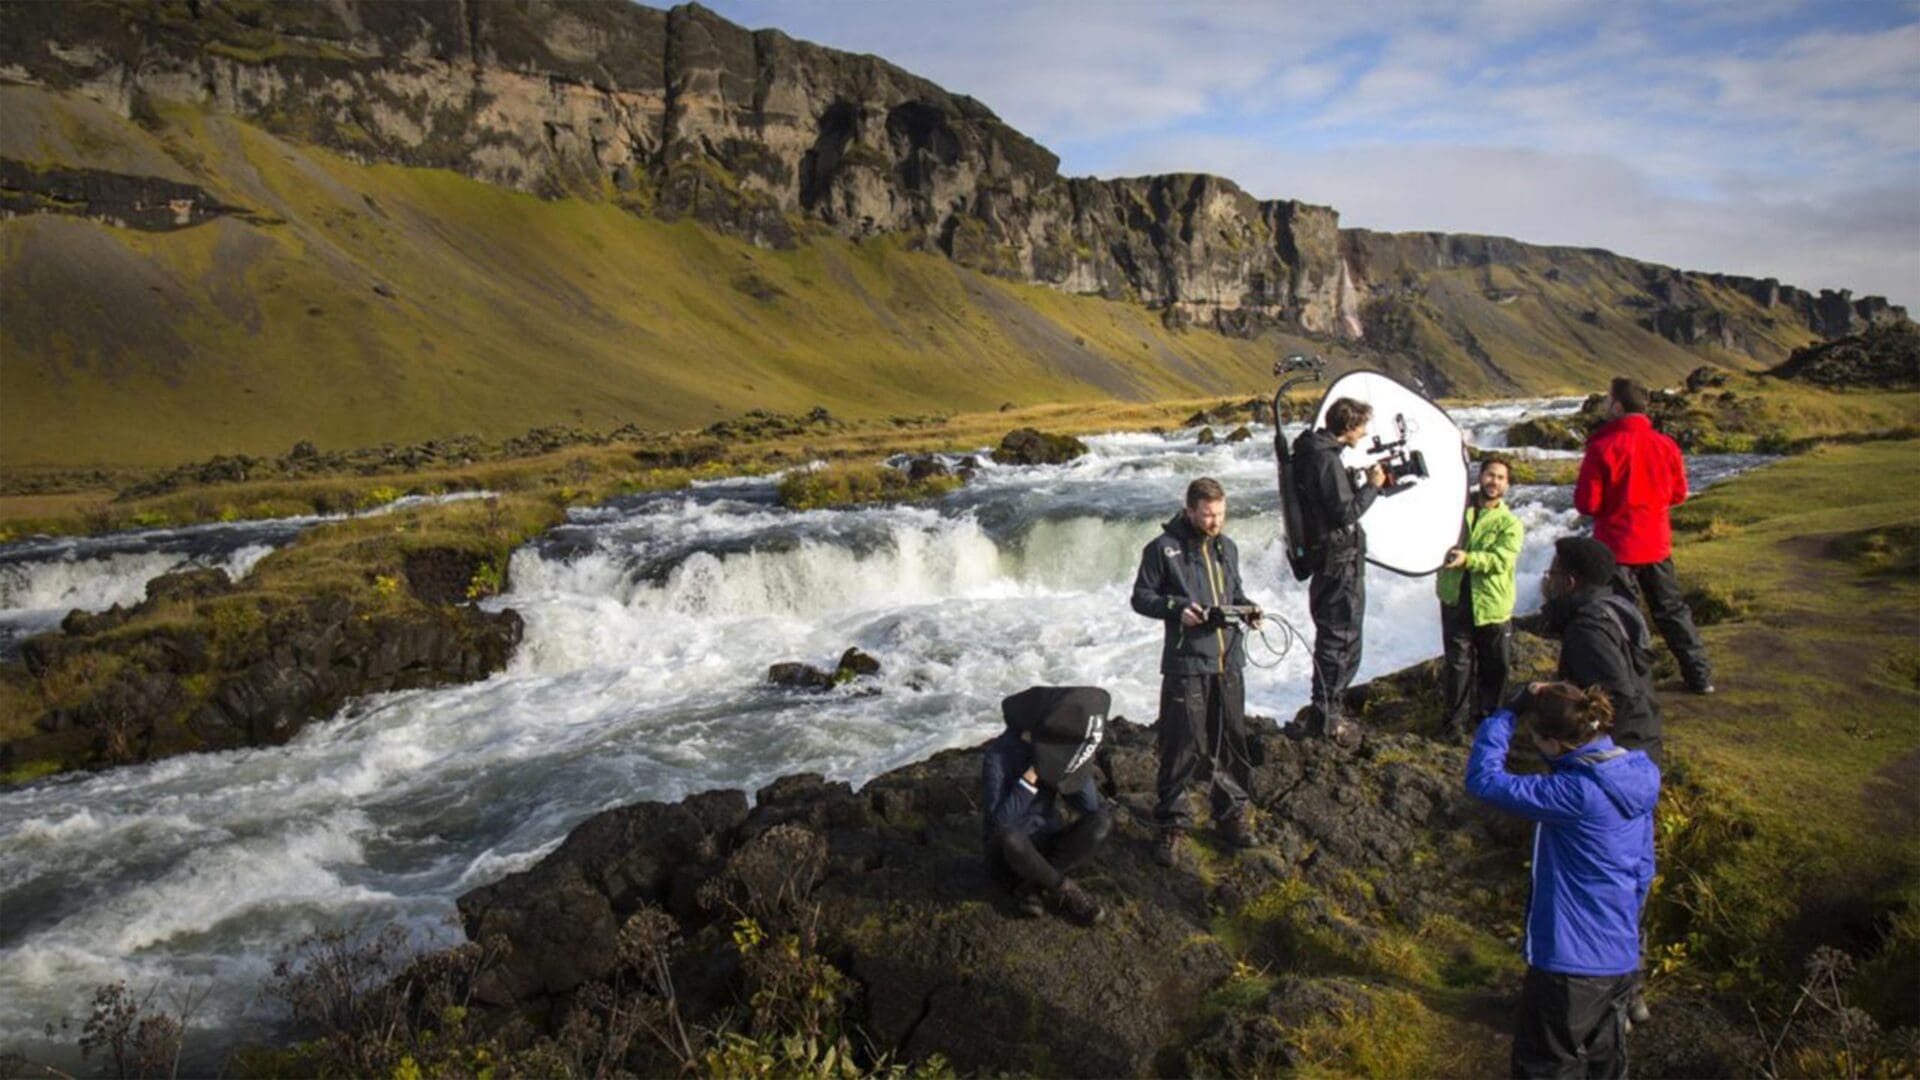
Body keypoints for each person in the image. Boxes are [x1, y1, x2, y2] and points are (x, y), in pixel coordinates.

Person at [1466, 681, 1661, 1079]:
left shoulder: (1576, 793)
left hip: (1570, 963)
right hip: (1619, 956)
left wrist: (1506, 714)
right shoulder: (1632, 775)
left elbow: (1485, 781)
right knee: (1604, 1063)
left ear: (1554, 743)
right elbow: (1644, 868)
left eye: (1537, 740)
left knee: (1547, 1066)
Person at [1130, 477, 1262, 868]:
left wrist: (1249, 609)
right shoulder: (1161, 550)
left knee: (1231, 739)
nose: (1214, 522)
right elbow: (1142, 597)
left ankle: (1231, 815)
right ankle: (1172, 824)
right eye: (1207, 514)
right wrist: (1176, 608)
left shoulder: (1228, 548)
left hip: (1228, 662)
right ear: (1189, 510)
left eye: (1220, 514)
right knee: (1181, 743)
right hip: (1186, 663)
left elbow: (1234, 595)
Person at [1575, 378, 1715, 694]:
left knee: (1622, 616)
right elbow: (1679, 494)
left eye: (1608, 400)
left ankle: (1633, 683)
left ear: (1618, 406)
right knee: (1672, 611)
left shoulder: (1601, 446)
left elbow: (1587, 503)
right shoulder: (1666, 445)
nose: (1605, 405)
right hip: (1656, 544)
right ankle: (1700, 676)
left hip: (1615, 548)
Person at [1291, 398, 1388, 740]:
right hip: (1339, 561)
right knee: (1341, 640)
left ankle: (1325, 712)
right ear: (1349, 427)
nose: (1364, 433)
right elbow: (1344, 513)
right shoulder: (1325, 459)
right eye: (1362, 427)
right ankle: (1329, 719)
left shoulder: (1312, 452)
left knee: (1334, 638)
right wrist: (1373, 486)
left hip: (1327, 559)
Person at [980, 685, 1113, 925]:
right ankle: (1065, 890)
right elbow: (998, 825)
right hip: (1010, 854)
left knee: (1102, 821)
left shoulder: (1056, 751)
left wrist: (1076, 769)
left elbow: (1088, 807)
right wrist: (1029, 781)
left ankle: (1034, 884)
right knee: (1011, 837)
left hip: (1045, 846)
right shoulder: (998, 757)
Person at [1541, 536, 1663, 765]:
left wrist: (1585, 742)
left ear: (1569, 582)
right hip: (1643, 738)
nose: (1547, 580)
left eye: (1552, 573)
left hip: (1622, 754)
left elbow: (1620, 697)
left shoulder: (1586, 630)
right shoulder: (1613, 606)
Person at [1437, 457, 1525, 740]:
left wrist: (1468, 559)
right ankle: (1454, 724)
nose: (1494, 482)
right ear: (1481, 476)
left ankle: (1489, 724)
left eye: (1500, 478)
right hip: (1455, 596)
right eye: (1490, 475)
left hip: (1492, 603)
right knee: (1457, 665)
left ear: (1507, 485)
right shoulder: (1453, 510)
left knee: (1494, 667)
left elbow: (1501, 560)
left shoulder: (1511, 523)